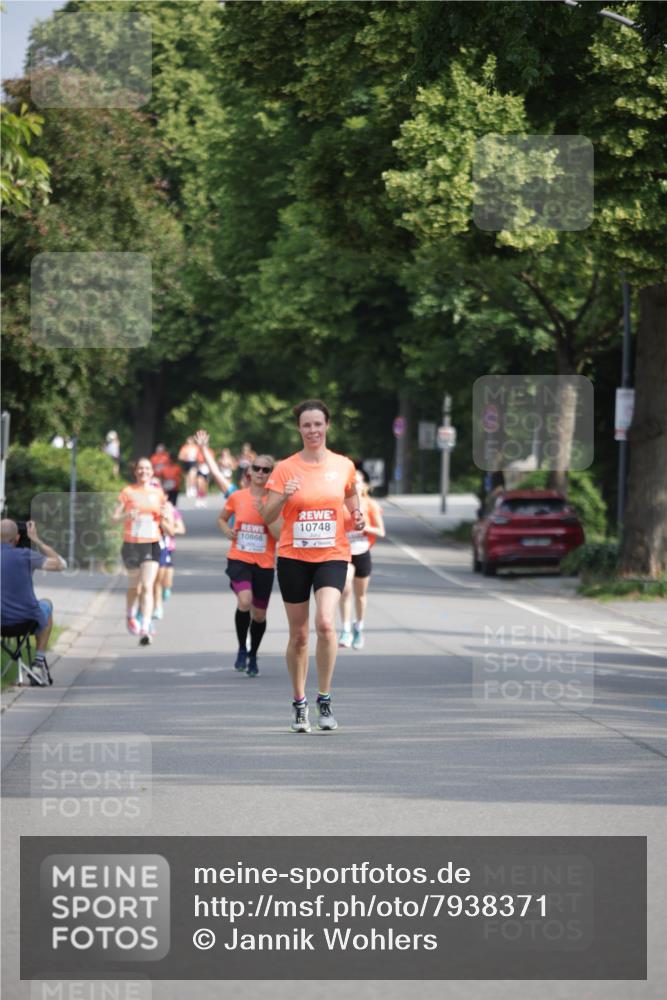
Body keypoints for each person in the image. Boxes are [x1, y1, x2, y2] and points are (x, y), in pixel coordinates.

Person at [261, 400, 364, 733]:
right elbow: (267, 515)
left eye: (318, 424)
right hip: (293, 556)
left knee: (325, 623)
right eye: (306, 425)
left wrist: (357, 514)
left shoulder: (343, 465)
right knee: (300, 636)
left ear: (327, 426)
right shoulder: (285, 469)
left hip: (332, 554)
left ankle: (325, 698)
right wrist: (283, 495)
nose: (313, 430)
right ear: (299, 429)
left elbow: (350, 496)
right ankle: (299, 703)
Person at [218, 455, 281, 677]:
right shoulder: (237, 497)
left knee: (260, 615)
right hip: (239, 558)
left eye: (266, 469)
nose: (261, 472)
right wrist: (227, 531)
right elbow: (222, 519)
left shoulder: (276, 502)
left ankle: (253, 653)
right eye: (257, 468)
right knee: (245, 601)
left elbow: (279, 534)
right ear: (250, 472)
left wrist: (266, 513)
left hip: (264, 564)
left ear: (272, 474)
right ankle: (242, 649)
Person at [111, 458, 173, 645]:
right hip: (131, 544)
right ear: (135, 471)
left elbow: (168, 524)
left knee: (147, 586)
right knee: (135, 587)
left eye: (147, 468)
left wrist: (164, 518)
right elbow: (114, 518)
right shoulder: (127, 492)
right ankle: (130, 614)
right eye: (140, 468)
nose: (143, 471)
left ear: (152, 472)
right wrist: (126, 515)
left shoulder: (158, 493)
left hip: (152, 543)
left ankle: (145, 627)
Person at [1, 518, 66, 679]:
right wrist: (36, 539)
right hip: (27, 621)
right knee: (46, 604)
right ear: (17, 538)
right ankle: (38, 663)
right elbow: (61, 564)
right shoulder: (27, 556)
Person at [339, 469, 385, 649]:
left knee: (360, 596)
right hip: (345, 552)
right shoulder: (340, 504)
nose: (354, 485)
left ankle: (359, 626)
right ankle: (345, 629)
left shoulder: (370, 505)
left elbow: (381, 531)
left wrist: (365, 528)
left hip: (363, 552)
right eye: (351, 483)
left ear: (364, 485)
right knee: (345, 588)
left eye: (357, 482)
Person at [153, 499, 185, 618]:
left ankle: (165, 590)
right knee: (156, 582)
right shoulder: (146, 510)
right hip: (152, 548)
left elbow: (181, 529)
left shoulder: (171, 510)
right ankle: (157, 607)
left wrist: (167, 526)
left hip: (168, 548)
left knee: (166, 582)